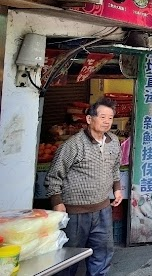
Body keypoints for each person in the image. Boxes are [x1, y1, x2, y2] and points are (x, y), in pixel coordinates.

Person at [46, 97, 122, 276]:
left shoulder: (113, 141)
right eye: (102, 117)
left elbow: (115, 167)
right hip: (75, 211)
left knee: (103, 252)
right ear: (89, 119)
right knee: (70, 255)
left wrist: (117, 188)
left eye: (110, 118)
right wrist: (57, 202)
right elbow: (54, 176)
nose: (106, 121)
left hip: (103, 208)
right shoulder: (74, 145)